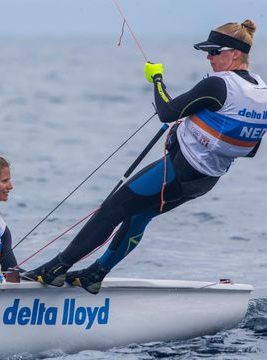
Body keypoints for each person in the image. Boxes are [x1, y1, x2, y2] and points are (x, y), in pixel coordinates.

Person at [24, 20, 267, 294]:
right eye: (206, 52)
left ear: (235, 53)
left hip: (178, 169)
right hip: (205, 180)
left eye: (214, 52)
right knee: (139, 216)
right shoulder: (261, 90)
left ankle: (55, 269)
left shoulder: (218, 85)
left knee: (111, 210)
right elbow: (250, 147)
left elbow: (166, 111)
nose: (208, 58)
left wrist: (157, 79)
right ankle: (95, 274)